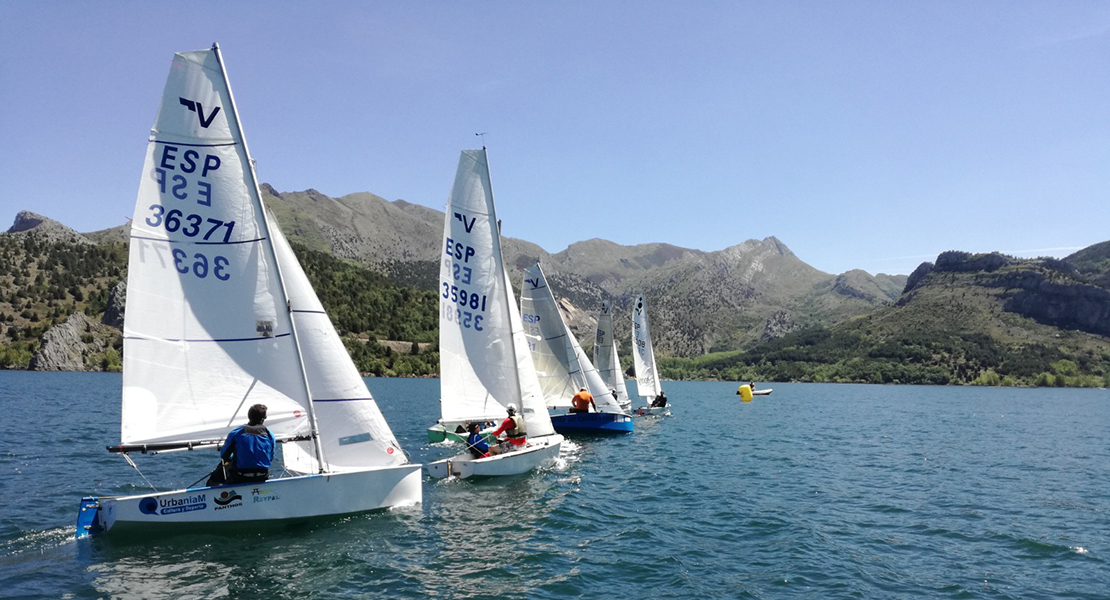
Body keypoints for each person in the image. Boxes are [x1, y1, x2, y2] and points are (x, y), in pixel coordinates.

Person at [206, 404, 275, 486]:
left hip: (240, 477)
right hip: (262, 476)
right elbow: (270, 457)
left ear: (248, 416)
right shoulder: (270, 435)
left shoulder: (236, 433)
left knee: (222, 468)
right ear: (264, 418)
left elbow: (224, 455)